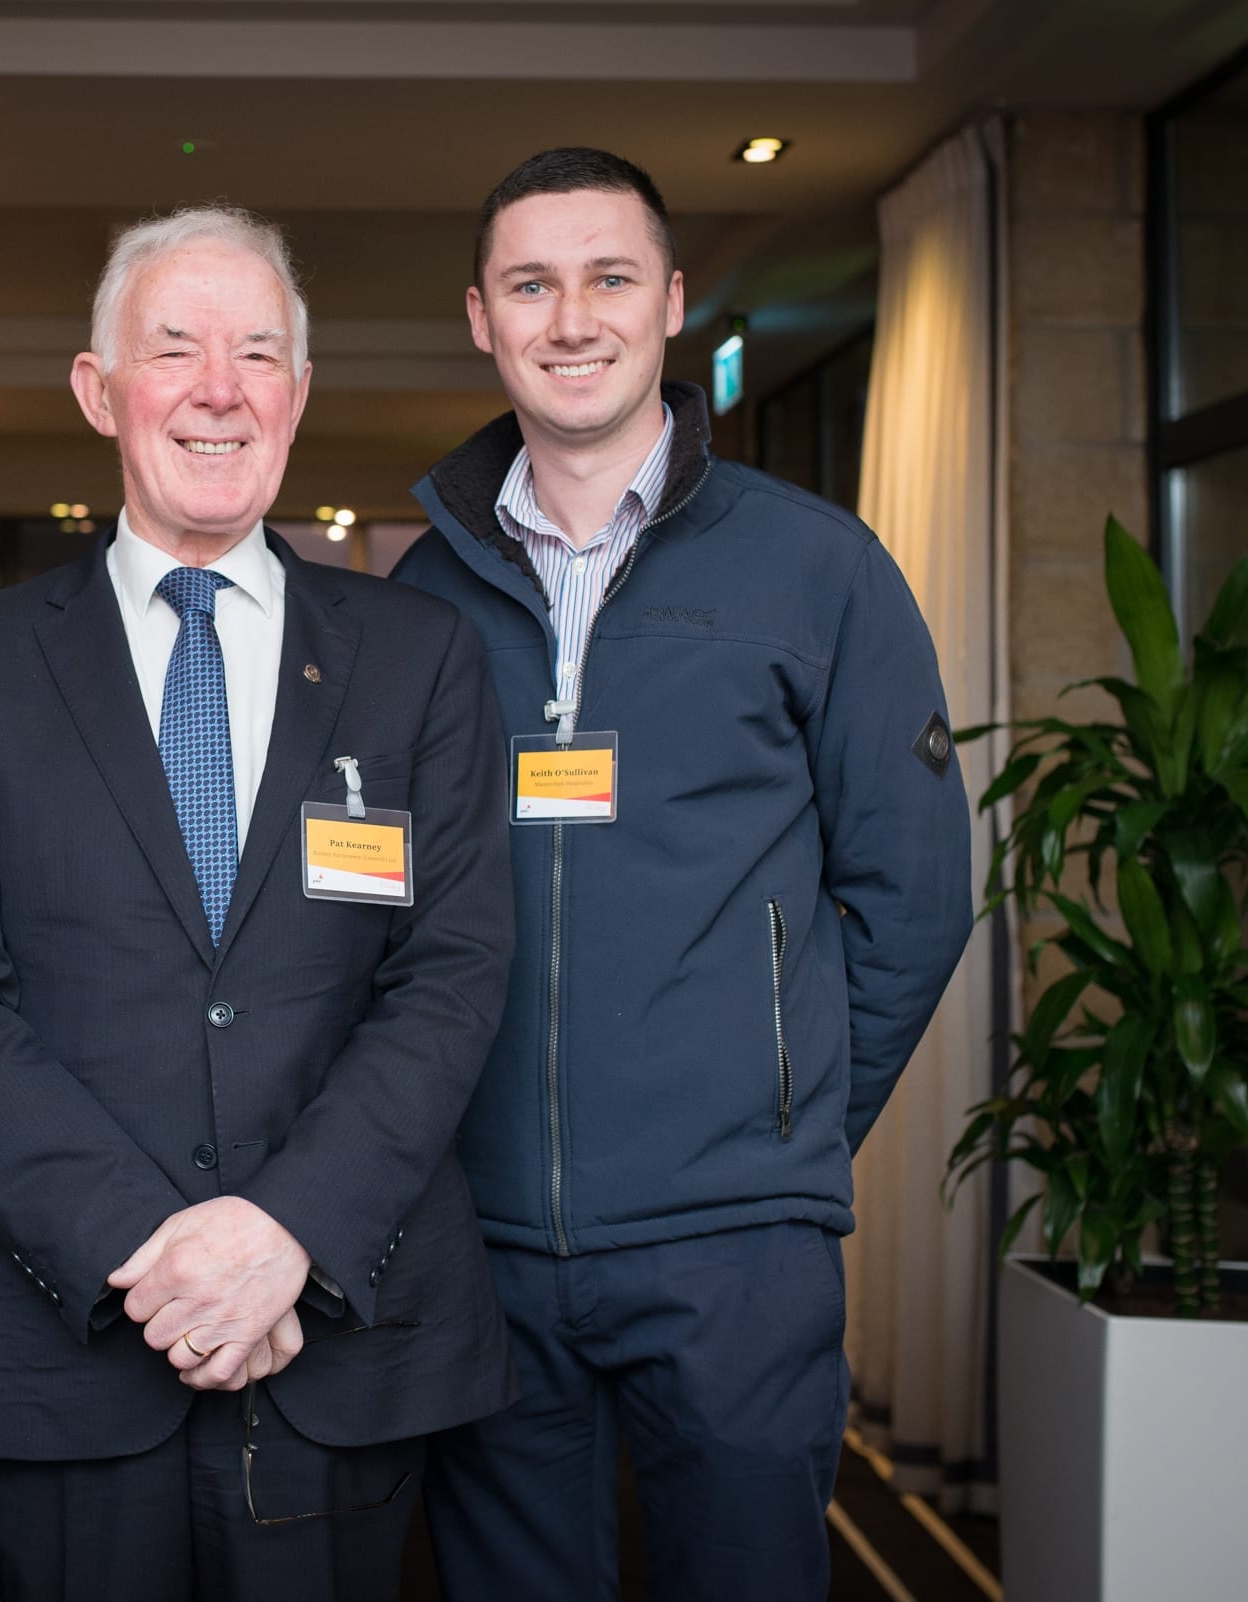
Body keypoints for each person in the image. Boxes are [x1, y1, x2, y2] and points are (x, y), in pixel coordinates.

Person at [0, 205, 517, 1602]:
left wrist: (283, 1232)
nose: (220, 387)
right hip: (63, 1349)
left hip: (341, 1339)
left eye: (259, 352)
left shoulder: (421, 660)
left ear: (296, 394)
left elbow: (453, 974)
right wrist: (152, 1254)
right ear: (100, 390)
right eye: (176, 348)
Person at [394, 146, 973, 1600]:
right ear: (482, 315)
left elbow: (913, 893)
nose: (570, 315)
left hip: (737, 1250)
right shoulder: (418, 599)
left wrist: (779, 1132)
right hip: (485, 1239)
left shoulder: (817, 567)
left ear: (671, 301)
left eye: (608, 277)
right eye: (532, 282)